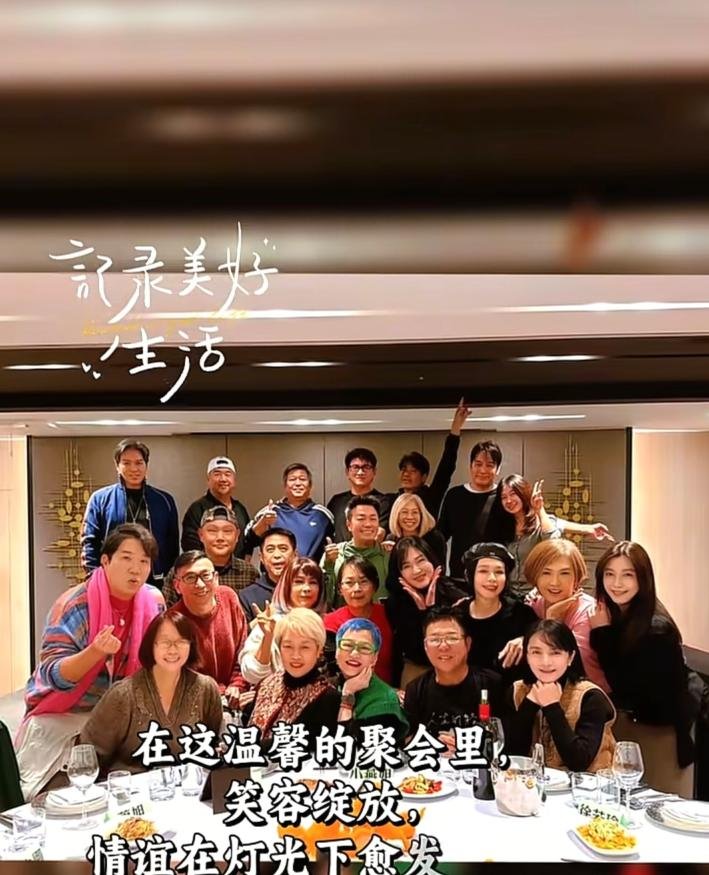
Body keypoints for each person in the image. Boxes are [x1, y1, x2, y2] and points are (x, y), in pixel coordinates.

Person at [18, 524, 165, 798]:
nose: (135, 569)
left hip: (121, 718)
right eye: (126, 558)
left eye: (144, 562)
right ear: (105, 561)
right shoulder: (74, 604)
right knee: (65, 800)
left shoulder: (153, 602)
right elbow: (52, 673)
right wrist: (95, 652)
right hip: (65, 716)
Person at [589, 541, 696, 796]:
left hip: (659, 733)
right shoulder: (618, 615)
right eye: (609, 574)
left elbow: (626, 685)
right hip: (628, 726)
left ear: (643, 579)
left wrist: (601, 634)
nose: (617, 583)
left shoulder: (656, 628)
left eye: (628, 575)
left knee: (659, 805)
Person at [79, 611, 222, 777]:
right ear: (151, 645)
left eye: (181, 641)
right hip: (130, 789)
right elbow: (87, 758)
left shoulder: (206, 688)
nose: (173, 649)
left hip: (189, 787)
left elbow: (216, 746)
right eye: (165, 642)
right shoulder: (122, 695)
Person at [508, 619, 616, 773]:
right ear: (526, 655)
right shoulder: (517, 691)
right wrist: (530, 703)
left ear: (570, 657)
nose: (545, 662)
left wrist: (552, 707)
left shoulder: (590, 696)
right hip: (532, 784)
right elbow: (512, 755)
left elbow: (579, 762)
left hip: (591, 784)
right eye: (536, 652)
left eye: (555, 653)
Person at [81, 439, 180, 586]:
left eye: (139, 463)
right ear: (117, 466)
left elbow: (172, 546)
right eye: (126, 463)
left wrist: (169, 579)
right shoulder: (100, 499)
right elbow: (90, 542)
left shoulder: (164, 500)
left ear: (146, 466)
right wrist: (95, 577)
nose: (134, 469)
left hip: (155, 580)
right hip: (111, 579)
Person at [403, 606, 502, 748]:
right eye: (435, 639)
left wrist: (466, 744)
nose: (443, 646)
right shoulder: (416, 690)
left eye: (452, 638)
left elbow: (502, 736)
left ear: (468, 643)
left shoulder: (490, 683)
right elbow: (408, 740)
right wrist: (435, 745)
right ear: (425, 645)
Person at [501, 474, 613, 597]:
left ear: (523, 493)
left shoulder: (542, 521)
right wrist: (588, 529)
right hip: (509, 595)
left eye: (513, 494)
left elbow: (552, 541)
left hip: (537, 594)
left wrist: (539, 509)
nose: (509, 501)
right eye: (503, 497)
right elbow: (562, 524)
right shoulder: (502, 526)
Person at [523, 539, 609, 692]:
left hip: (587, 695)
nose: (554, 582)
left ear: (577, 578)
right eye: (546, 573)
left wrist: (551, 620)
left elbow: (569, 668)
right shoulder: (533, 605)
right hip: (545, 694)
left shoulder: (589, 612)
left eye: (564, 573)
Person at [385, 537, 468, 687]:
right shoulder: (395, 603)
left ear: (431, 559)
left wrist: (431, 609)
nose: (416, 570)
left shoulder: (455, 594)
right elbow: (414, 653)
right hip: (418, 670)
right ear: (399, 573)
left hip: (457, 667)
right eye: (406, 566)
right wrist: (422, 613)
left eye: (421, 560)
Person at [168, 551, 249, 706]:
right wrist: (220, 694)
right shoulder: (171, 622)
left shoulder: (229, 597)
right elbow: (178, 676)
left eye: (205, 576)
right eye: (190, 577)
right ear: (177, 586)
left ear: (216, 578)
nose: (200, 584)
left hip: (236, 693)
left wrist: (237, 684)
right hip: (194, 701)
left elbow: (243, 649)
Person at [248, 609, 340, 744]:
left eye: (305, 647)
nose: (296, 655)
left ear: (319, 650)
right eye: (288, 646)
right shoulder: (267, 683)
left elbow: (305, 746)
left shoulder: (328, 697)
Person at [239, 557, 327, 686]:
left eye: (313, 582)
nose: (306, 588)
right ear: (286, 587)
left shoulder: (328, 623)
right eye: (299, 582)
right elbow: (251, 674)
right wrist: (267, 637)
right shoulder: (271, 622)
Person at [457, 543, 537, 679]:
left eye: (499, 572)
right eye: (483, 571)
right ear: (470, 575)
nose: (492, 578)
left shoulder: (522, 613)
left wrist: (528, 640)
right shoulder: (456, 615)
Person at [438, 440, 515, 581]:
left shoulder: (503, 497)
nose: (483, 470)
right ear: (470, 466)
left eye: (490, 465)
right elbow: (440, 536)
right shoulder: (454, 496)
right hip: (460, 577)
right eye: (478, 464)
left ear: (498, 469)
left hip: (494, 579)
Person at [387, 398, 471, 520]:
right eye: (404, 469)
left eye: (413, 471)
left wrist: (456, 428)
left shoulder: (431, 496)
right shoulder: (391, 500)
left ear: (424, 477)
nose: (406, 474)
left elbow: (446, 467)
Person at [163, 506, 257, 606]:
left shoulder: (249, 574)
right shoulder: (182, 571)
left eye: (227, 531)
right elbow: (167, 612)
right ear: (201, 535)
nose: (220, 538)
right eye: (212, 531)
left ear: (237, 535)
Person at [335, 618, 408, 745]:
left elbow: (347, 748)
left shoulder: (385, 701)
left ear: (374, 658)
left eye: (364, 648)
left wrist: (348, 696)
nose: (354, 653)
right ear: (336, 651)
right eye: (347, 645)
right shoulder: (327, 686)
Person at [324, 557, 395, 684]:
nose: (357, 589)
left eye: (363, 582)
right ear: (340, 588)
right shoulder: (330, 623)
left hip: (388, 690)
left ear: (375, 586)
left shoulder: (390, 615)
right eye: (349, 583)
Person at [245, 463, 334, 561]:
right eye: (292, 479)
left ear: (310, 485)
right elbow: (249, 541)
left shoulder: (323, 515)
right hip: (275, 569)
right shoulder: (269, 512)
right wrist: (263, 523)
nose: (298, 483)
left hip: (310, 570)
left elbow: (333, 546)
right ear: (285, 486)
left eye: (302, 479)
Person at [321, 496, 392, 603]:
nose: (368, 524)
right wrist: (329, 566)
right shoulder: (335, 554)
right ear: (348, 524)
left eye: (373, 519)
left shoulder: (387, 554)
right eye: (361, 519)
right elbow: (324, 599)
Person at [181, 456, 251, 559]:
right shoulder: (197, 509)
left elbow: (247, 540)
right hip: (206, 567)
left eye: (227, 474)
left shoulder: (240, 509)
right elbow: (189, 544)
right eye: (217, 474)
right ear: (208, 480)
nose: (223, 479)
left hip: (237, 567)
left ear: (234, 480)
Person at [327, 448, 390, 542]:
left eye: (366, 467)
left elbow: (378, 535)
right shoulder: (336, 502)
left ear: (374, 471)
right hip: (338, 551)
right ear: (347, 472)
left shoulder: (383, 502)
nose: (360, 472)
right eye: (355, 467)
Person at [385, 492, 446, 588]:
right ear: (396, 515)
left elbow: (440, 571)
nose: (410, 517)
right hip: (401, 590)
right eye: (404, 512)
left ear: (421, 515)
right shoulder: (392, 539)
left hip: (432, 588)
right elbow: (392, 576)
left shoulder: (434, 538)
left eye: (415, 512)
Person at [238, 527, 297, 622]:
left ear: (295, 555)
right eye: (270, 550)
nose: (277, 555)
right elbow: (243, 631)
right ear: (261, 557)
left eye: (283, 549)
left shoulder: (307, 588)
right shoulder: (246, 596)